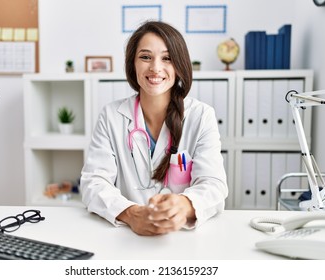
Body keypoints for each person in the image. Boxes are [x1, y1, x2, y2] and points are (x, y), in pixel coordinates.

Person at [80, 21, 228, 236]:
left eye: (167, 58)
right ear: (133, 64)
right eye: (145, 57)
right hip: (126, 234)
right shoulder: (111, 116)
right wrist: (132, 214)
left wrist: (183, 205)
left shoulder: (201, 115)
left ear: (179, 65)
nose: (155, 68)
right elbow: (93, 182)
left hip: (182, 237)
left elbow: (214, 184)